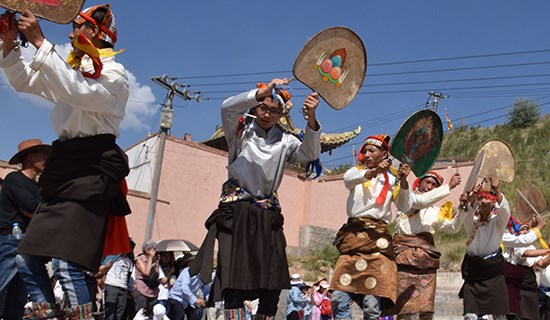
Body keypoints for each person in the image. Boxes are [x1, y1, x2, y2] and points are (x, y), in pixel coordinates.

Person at [0, 3, 131, 318]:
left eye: (77, 26)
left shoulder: (115, 74)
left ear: (97, 32)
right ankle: (52, 314)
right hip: (64, 168)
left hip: (91, 170)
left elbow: (75, 91)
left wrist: (40, 43)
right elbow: (27, 82)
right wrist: (9, 46)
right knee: (26, 259)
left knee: (65, 263)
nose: (71, 33)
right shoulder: (75, 70)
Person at [190, 78, 321, 319]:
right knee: (234, 279)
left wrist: (311, 117)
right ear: (255, 107)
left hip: (267, 213)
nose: (268, 114)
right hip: (237, 212)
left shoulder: (286, 140)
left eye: (274, 110)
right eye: (264, 107)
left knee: (272, 282)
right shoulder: (239, 131)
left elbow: (310, 154)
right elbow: (227, 107)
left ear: (281, 113)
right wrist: (262, 92)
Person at [329, 134, 412, 320]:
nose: (366, 154)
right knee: (338, 299)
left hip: (377, 244)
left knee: (371, 305)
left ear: (384, 154)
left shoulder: (393, 180)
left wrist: (405, 181)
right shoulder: (355, 173)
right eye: (364, 151)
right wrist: (373, 172)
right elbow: (348, 181)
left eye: (371, 151)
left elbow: (405, 206)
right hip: (352, 241)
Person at [391, 171, 462, 320]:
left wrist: (464, 208)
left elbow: (452, 228)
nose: (430, 186)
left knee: (427, 308)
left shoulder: (437, 211)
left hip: (426, 259)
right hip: (403, 257)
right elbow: (421, 201)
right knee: (403, 308)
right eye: (427, 182)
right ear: (419, 182)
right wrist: (449, 186)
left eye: (434, 185)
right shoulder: (406, 199)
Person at [0, 139, 50, 320]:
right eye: (42, 154)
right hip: (12, 239)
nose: (46, 158)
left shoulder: (38, 187)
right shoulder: (14, 179)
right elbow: (32, 209)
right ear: (30, 157)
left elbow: (39, 211)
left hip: (28, 243)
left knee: (17, 298)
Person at [454, 179, 511, 320]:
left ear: (493, 203)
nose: (484, 201)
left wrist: (496, 189)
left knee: (500, 316)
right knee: (470, 316)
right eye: (481, 198)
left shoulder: (499, 221)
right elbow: (467, 210)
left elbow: (505, 210)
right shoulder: (470, 222)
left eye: (488, 198)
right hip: (474, 273)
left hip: (493, 273)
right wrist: (473, 194)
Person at [503, 215, 550, 320]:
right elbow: (526, 253)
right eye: (522, 229)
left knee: (532, 315)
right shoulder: (515, 245)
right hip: (519, 282)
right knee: (520, 314)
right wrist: (547, 251)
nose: (525, 231)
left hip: (530, 282)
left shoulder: (532, 247)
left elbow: (542, 263)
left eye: (527, 229)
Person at [168, 253, 211, 320]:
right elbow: (185, 288)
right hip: (176, 297)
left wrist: (209, 300)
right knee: (180, 315)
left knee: (194, 317)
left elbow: (206, 290)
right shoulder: (186, 271)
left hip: (187, 300)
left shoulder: (203, 275)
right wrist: (196, 300)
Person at [102, 251, 134, 320]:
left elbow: (129, 275)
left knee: (120, 313)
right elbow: (104, 270)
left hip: (123, 288)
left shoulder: (129, 262)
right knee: (110, 312)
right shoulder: (113, 257)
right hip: (112, 285)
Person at [134, 240, 161, 313]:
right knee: (141, 313)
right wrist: (150, 258)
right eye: (153, 250)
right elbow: (146, 273)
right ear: (147, 250)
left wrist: (157, 263)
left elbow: (156, 275)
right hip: (142, 290)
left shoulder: (154, 259)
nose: (154, 252)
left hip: (152, 291)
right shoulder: (139, 259)